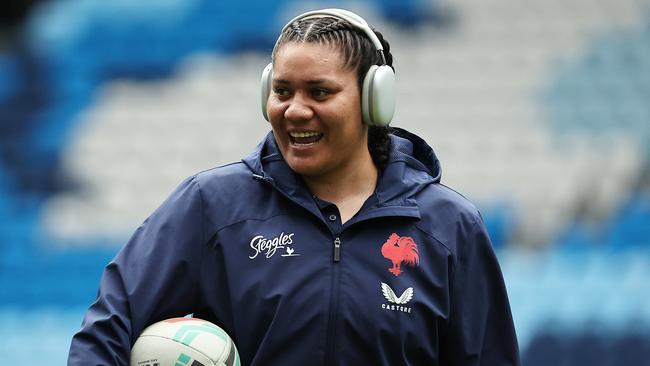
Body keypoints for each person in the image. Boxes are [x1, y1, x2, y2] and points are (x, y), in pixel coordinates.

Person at [68, 8, 520, 366]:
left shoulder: (448, 227)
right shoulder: (212, 206)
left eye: (319, 92)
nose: (295, 110)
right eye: (282, 91)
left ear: (374, 101)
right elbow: (107, 329)